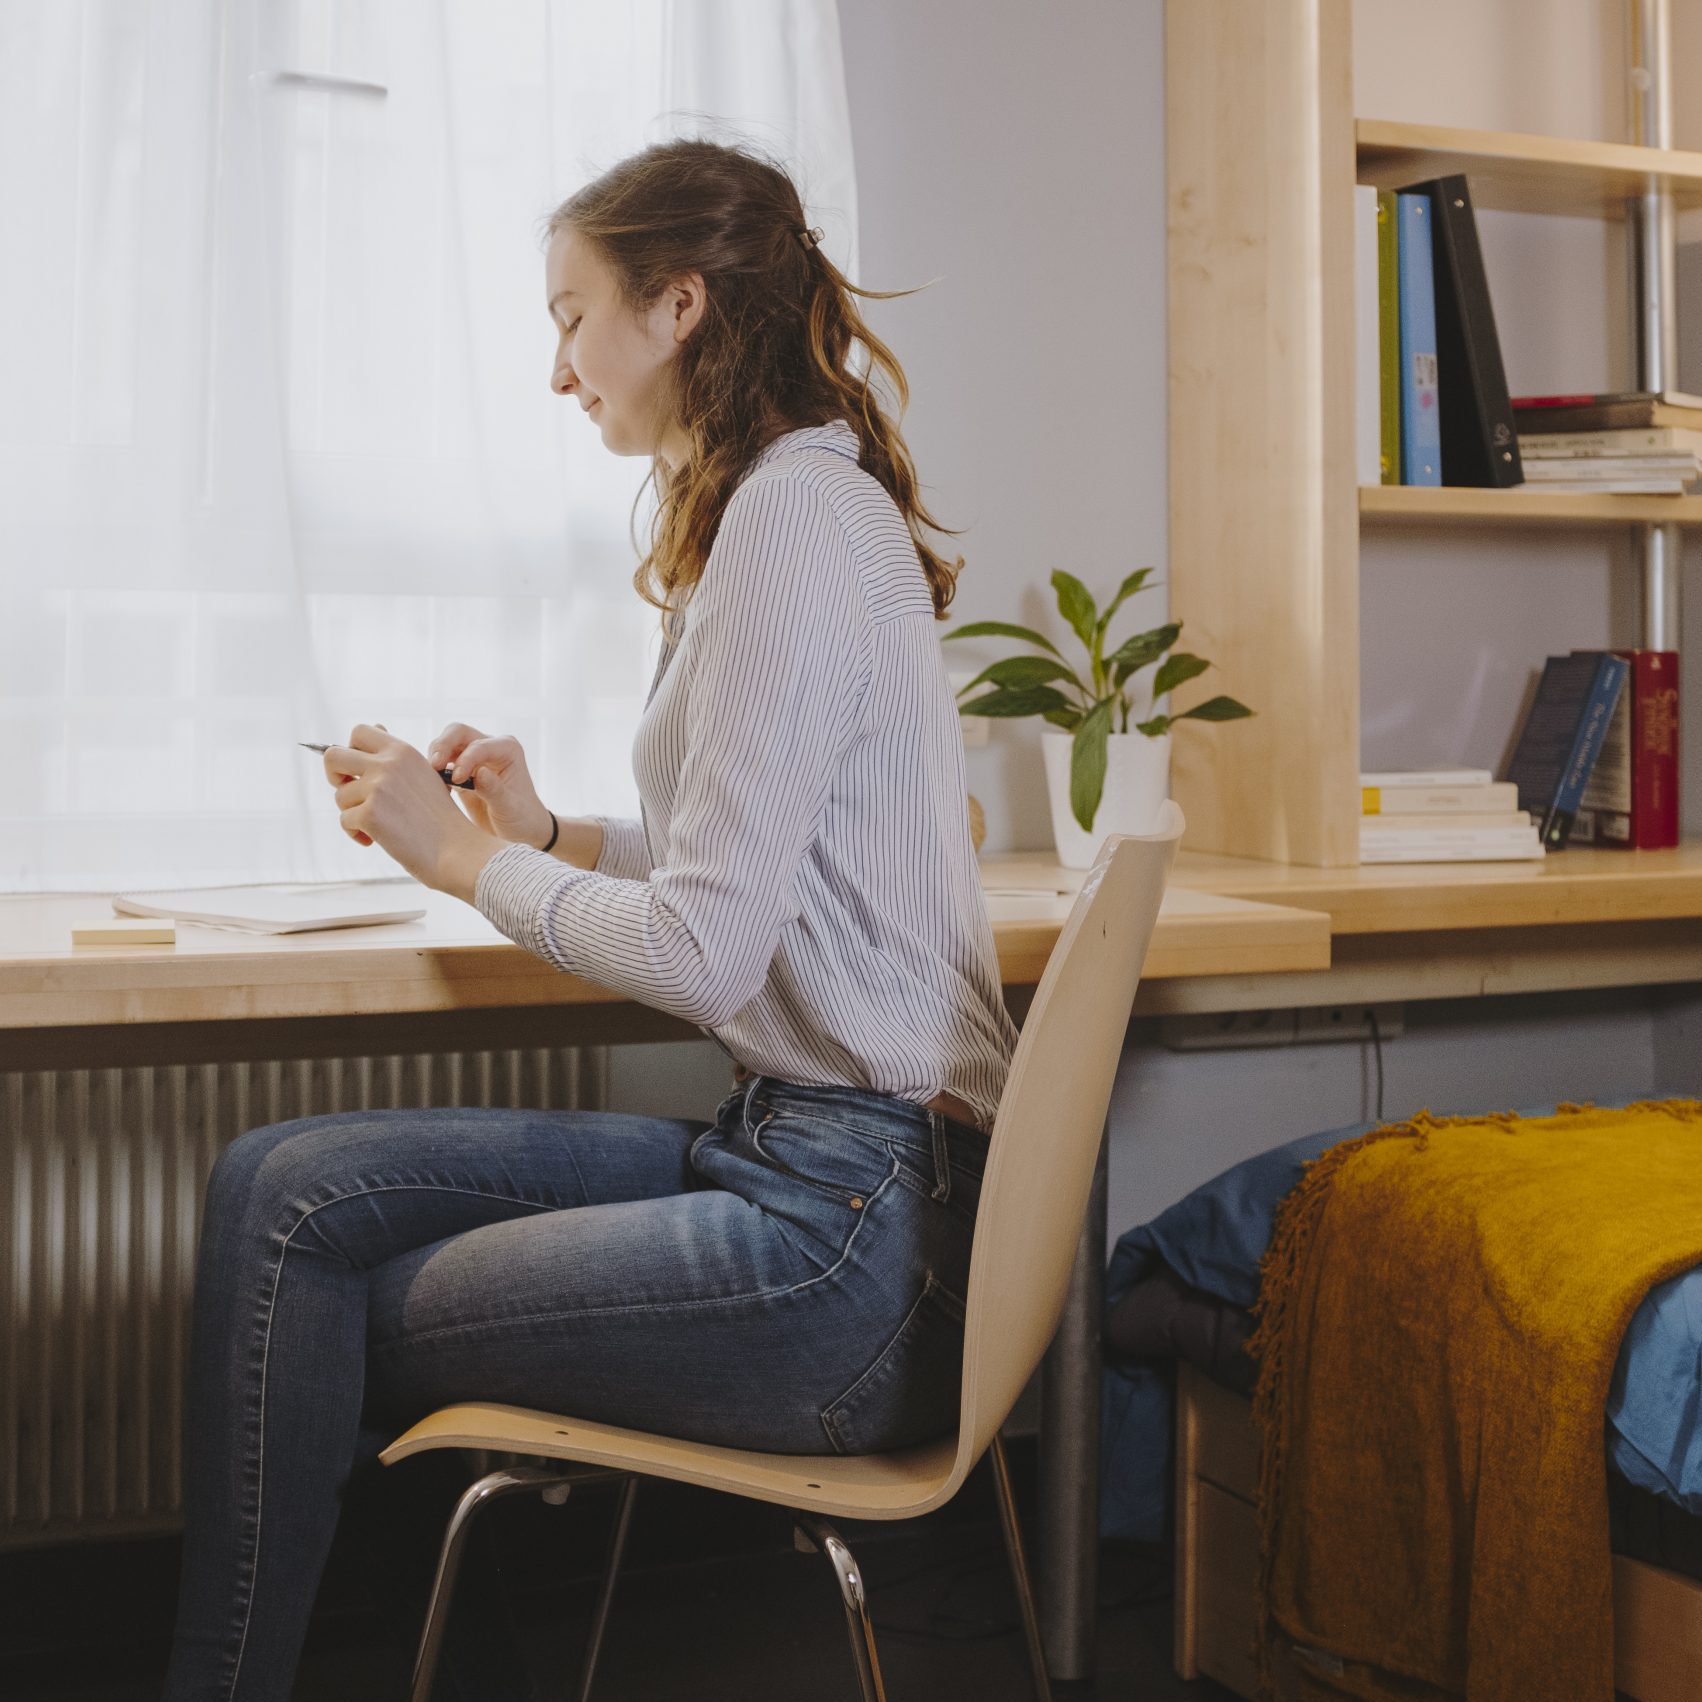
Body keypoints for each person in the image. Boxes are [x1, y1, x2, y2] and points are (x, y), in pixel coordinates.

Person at [161, 136, 1018, 1701]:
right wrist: (548, 834)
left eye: (572, 317)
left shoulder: (792, 527)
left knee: (303, 1281)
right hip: (807, 1162)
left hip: (838, 1242)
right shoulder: (791, 503)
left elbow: (704, 950)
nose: (560, 368)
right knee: (271, 1183)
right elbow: (749, 865)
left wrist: (457, 863)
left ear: (676, 306)